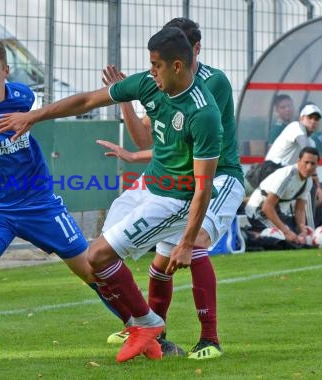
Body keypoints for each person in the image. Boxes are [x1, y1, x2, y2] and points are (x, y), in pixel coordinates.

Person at [0, 26, 223, 363]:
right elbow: (87, 99)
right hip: (148, 187)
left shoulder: (204, 114)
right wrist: (34, 116)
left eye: (156, 65)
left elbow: (203, 186)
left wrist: (187, 242)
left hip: (176, 199)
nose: (151, 71)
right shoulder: (148, 83)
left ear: (177, 66)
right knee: (94, 260)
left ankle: (148, 324)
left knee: (99, 255)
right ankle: (147, 331)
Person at [0, 36, 122, 364]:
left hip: (38, 201)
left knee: (91, 271)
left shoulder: (22, 96)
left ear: (6, 71)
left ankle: (141, 325)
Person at [97, 17, 244, 360]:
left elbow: (198, 149)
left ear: (194, 50)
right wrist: (124, 101)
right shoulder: (164, 82)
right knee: (161, 265)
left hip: (218, 176)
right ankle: (150, 332)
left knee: (194, 244)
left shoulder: (213, 83)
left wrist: (141, 156)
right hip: (179, 180)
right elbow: (145, 137)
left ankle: (210, 339)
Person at [264, 103, 322, 226]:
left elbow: (308, 165)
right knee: (309, 186)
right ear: (301, 118)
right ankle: (308, 229)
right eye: (309, 118)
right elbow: (307, 152)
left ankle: (319, 225)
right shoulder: (295, 126)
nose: (313, 121)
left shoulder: (311, 142)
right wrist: (315, 182)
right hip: (272, 170)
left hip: (289, 176)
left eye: (316, 119)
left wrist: (319, 186)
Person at [245, 147, 319, 243]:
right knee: (284, 238)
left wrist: (302, 229)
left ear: (317, 165)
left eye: (312, 164)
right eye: (306, 162)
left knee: (297, 237)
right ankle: (250, 236)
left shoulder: (308, 181)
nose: (309, 167)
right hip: (258, 212)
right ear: (299, 161)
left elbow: (299, 209)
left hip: (277, 213)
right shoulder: (288, 175)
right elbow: (267, 207)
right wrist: (286, 232)